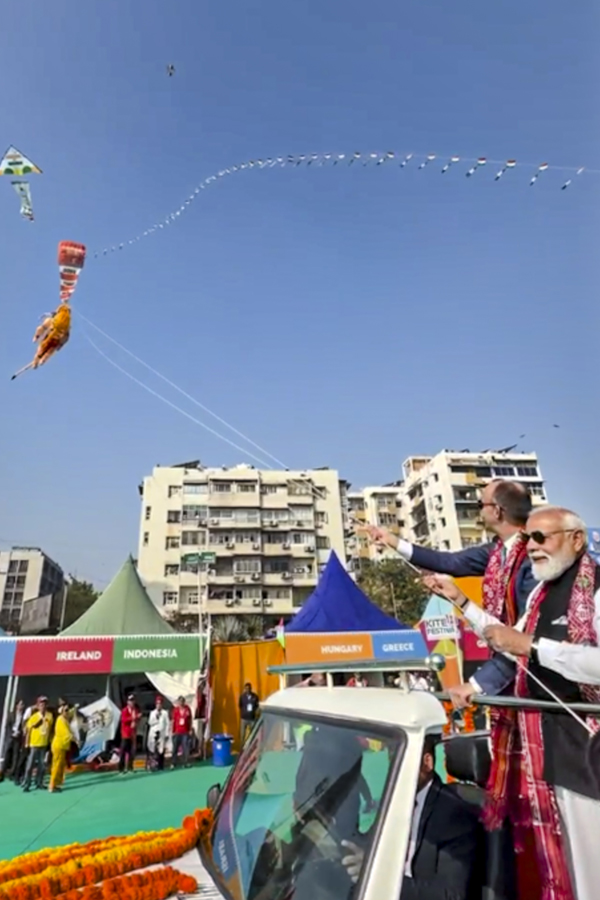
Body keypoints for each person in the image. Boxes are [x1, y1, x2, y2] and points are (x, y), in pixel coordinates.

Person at [428, 505, 600, 900]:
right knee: (564, 863)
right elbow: (508, 643)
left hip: (587, 748)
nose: (531, 547)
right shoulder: (540, 593)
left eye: (541, 538)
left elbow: (531, 647)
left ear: (577, 539)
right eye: (527, 539)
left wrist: (534, 647)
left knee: (591, 865)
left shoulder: (596, 589)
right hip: (548, 748)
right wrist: (460, 601)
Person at [365, 479, 536, 705]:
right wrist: (394, 542)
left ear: (496, 511)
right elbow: (450, 562)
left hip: (532, 674)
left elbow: (524, 636)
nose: (478, 511)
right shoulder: (496, 552)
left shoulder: (535, 557)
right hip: (506, 661)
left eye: (480, 505)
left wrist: (477, 684)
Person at [341, 736, 480, 899]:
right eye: (391, 759)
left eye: (401, 760)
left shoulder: (454, 814)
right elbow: (369, 843)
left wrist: (379, 876)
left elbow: (451, 895)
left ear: (427, 763)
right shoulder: (396, 800)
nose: (393, 769)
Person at [22, 696, 54, 792]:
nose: (43, 706)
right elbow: (28, 730)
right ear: (38, 706)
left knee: (42, 765)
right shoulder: (34, 717)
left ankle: (39, 782)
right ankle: (27, 783)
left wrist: (50, 741)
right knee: (30, 765)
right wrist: (26, 743)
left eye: (44, 704)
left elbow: (50, 729)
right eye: (41, 704)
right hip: (34, 743)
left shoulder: (49, 716)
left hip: (44, 743)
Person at [0, 699, 25, 782]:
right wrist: (11, 732)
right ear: (16, 706)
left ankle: (12, 773)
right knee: (7, 754)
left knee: (15, 756)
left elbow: (23, 727)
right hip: (11, 737)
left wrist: (20, 733)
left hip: (17, 738)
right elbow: (7, 725)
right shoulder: (11, 714)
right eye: (20, 705)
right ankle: (2, 773)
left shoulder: (23, 716)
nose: (21, 706)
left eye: (22, 705)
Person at [49, 703, 72, 793]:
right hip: (59, 746)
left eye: (68, 710)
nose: (67, 712)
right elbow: (66, 733)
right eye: (66, 710)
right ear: (61, 711)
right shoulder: (61, 720)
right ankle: (52, 785)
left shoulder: (64, 720)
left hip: (62, 746)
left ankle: (56, 784)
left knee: (60, 766)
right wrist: (74, 738)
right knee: (57, 766)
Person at [118, 695, 140, 774]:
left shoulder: (135, 710)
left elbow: (137, 719)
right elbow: (123, 720)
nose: (132, 702)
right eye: (130, 701)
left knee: (131, 751)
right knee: (123, 751)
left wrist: (137, 718)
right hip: (125, 734)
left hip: (132, 734)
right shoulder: (124, 710)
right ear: (127, 702)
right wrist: (133, 718)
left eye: (133, 701)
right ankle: (121, 768)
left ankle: (130, 767)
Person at [147, 696, 170, 770]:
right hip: (153, 734)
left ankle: (160, 766)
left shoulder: (165, 713)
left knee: (161, 750)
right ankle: (152, 765)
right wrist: (156, 717)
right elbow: (150, 722)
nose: (158, 705)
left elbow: (167, 724)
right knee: (152, 749)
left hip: (161, 733)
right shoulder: (152, 713)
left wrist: (167, 733)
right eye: (157, 703)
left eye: (160, 703)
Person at [172, 695, 193, 767]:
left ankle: (185, 762)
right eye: (180, 701)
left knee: (185, 748)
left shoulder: (187, 709)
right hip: (177, 731)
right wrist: (173, 731)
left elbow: (190, 720)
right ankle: (173, 763)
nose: (181, 703)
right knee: (175, 748)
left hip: (185, 731)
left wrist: (190, 729)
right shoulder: (175, 710)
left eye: (182, 701)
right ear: (178, 702)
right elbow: (173, 721)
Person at [238, 683, 260, 748]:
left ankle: (251, 748)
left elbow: (257, 706)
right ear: (244, 689)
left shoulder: (255, 697)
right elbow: (240, 705)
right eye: (246, 689)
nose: (248, 690)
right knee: (242, 735)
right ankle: (241, 748)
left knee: (253, 734)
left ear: (251, 689)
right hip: (244, 718)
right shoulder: (242, 697)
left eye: (249, 688)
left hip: (252, 719)